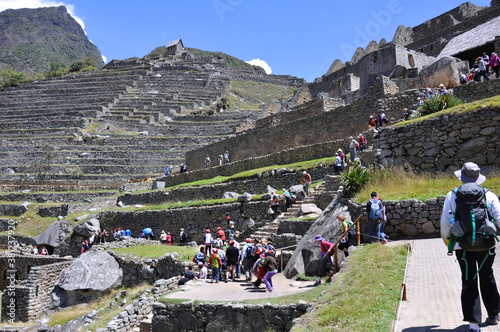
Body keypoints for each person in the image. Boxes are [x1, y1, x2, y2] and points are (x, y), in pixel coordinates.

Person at [441, 162, 500, 331]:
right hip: (486, 246)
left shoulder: (452, 196)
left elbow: (445, 223)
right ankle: (494, 314)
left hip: (463, 247)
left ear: (462, 177)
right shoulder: (489, 195)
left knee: (469, 280)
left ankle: (474, 325)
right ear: (478, 178)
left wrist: (448, 242)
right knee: (487, 276)